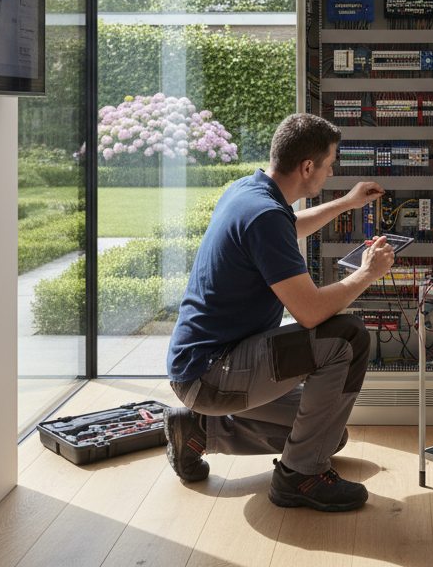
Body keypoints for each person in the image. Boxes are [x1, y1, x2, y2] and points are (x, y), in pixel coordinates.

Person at [164, 113, 395, 511]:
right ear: (308, 167)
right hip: (214, 373)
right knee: (348, 337)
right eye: (329, 163)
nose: (331, 169)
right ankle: (298, 479)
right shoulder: (265, 215)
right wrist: (367, 274)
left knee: (326, 435)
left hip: (202, 367)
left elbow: (287, 226)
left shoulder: (249, 192)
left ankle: (200, 429)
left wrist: (347, 202)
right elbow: (310, 312)